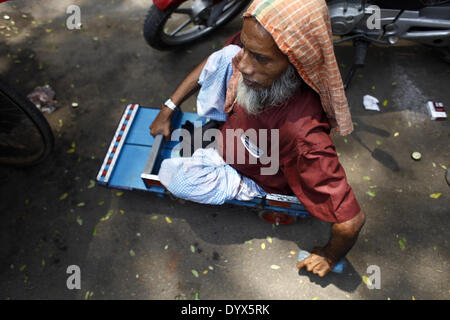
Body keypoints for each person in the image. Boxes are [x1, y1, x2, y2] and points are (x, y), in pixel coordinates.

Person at [149, 0, 365, 277]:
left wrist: (329, 256)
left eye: (261, 58)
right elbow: (229, 57)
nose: (245, 66)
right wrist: (169, 106)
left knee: (174, 176)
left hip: (255, 173)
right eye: (249, 49)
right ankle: (221, 126)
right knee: (227, 54)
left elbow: (351, 222)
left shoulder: (303, 136)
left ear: (298, 59)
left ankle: (240, 184)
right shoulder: (256, 52)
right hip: (239, 138)